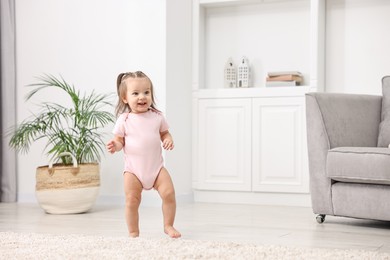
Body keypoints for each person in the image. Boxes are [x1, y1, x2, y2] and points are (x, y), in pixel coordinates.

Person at [106, 71, 181, 238]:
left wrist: (168, 139)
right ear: (125, 98)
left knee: (169, 193)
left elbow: (165, 133)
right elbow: (119, 141)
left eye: (146, 92)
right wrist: (115, 146)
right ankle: (133, 232)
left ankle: (168, 225)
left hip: (156, 168)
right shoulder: (124, 119)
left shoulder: (157, 116)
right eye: (135, 93)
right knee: (132, 200)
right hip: (133, 170)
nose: (142, 97)